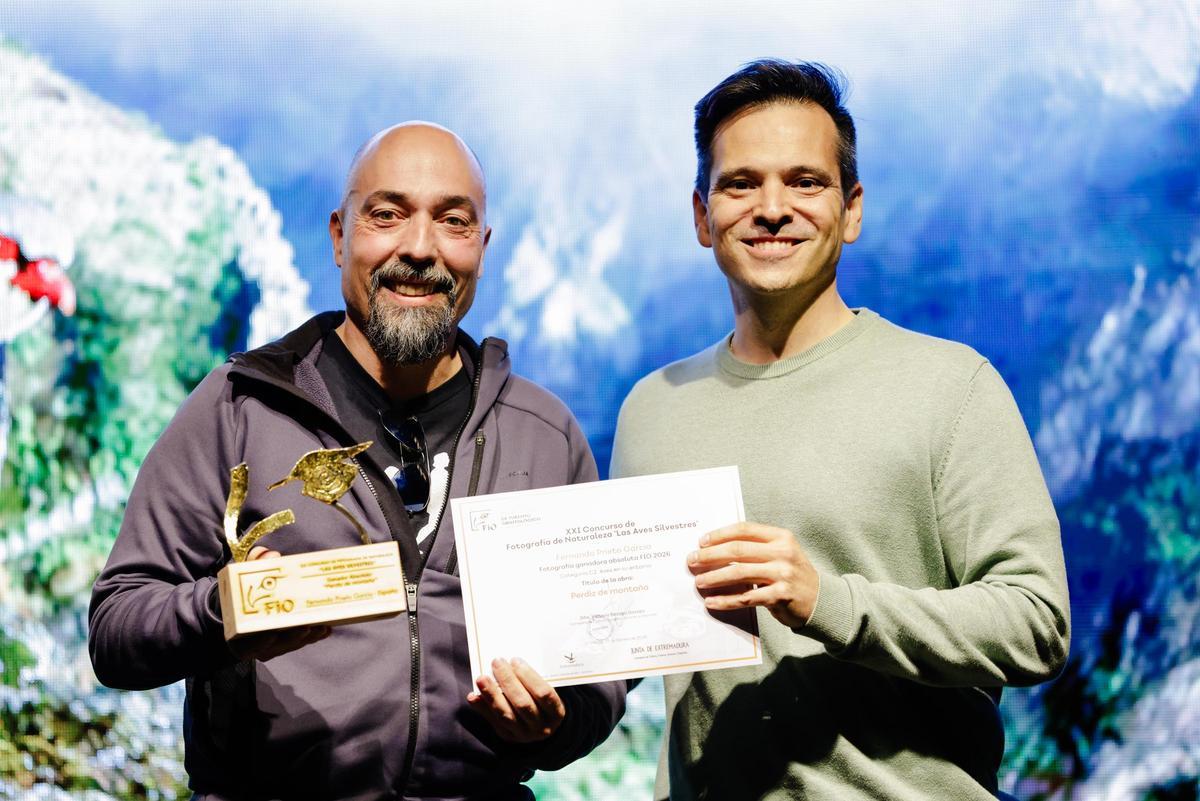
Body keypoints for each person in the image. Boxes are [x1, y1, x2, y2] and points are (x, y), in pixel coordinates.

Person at [89, 122, 625, 801]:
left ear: (482, 249)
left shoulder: (543, 434)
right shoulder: (239, 406)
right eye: (388, 215)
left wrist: (556, 723)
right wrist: (221, 608)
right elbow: (116, 629)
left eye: (453, 222)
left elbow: (601, 673)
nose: (420, 248)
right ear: (340, 235)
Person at [610, 60, 1070, 800]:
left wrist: (825, 599)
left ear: (851, 210)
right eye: (741, 183)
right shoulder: (652, 406)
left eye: (805, 181)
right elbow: (632, 632)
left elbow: (1035, 621)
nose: (771, 207)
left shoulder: (950, 385)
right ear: (702, 216)